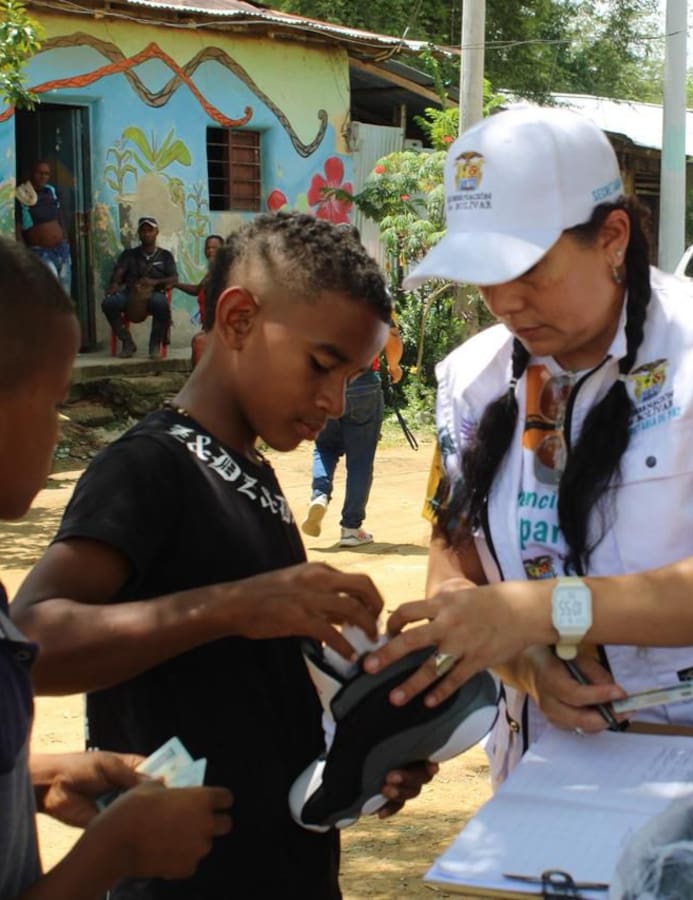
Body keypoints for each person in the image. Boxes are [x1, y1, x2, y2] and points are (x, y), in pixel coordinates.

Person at [356, 106, 693, 784]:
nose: (504, 301)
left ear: (612, 236)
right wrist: (527, 664)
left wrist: (540, 610)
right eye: (483, 272)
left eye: (529, 268)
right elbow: (455, 577)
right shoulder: (471, 384)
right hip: (556, 763)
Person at [12, 213, 437, 899]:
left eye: (351, 376)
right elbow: (32, 639)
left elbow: (255, 694)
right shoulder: (151, 466)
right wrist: (233, 606)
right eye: (322, 365)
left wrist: (361, 755)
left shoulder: (251, 475)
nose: (333, 401)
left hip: (281, 868)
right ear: (238, 319)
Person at [0, 235, 232, 899]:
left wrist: (39, 779)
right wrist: (114, 853)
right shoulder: (146, 467)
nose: (55, 429)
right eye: (51, 402)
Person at [302, 223, 405, 548]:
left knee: (324, 446)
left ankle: (320, 494)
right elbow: (392, 336)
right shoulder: (375, 290)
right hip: (363, 383)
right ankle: (350, 528)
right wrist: (394, 365)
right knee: (360, 460)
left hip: (325, 382)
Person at [103, 216, 178, 359]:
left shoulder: (165, 256)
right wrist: (114, 285)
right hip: (130, 294)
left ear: (156, 232)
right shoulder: (129, 254)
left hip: (153, 294)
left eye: (150, 230)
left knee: (161, 303)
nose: (146, 233)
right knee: (109, 303)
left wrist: (154, 282)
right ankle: (127, 342)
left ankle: (154, 345)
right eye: (143, 230)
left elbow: (174, 278)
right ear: (139, 233)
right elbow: (119, 272)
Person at [15, 160, 72, 298]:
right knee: (49, 288)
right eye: (39, 173)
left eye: (46, 174)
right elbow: (18, 226)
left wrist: (65, 237)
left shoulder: (51, 192)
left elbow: (59, 216)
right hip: (40, 251)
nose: (43, 177)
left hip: (61, 249)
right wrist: (22, 250)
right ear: (32, 174)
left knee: (65, 288)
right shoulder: (23, 195)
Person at [174, 234, 225, 369]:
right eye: (207, 248)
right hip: (208, 328)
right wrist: (176, 284)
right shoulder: (212, 273)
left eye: (215, 248)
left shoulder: (224, 274)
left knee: (199, 344)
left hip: (218, 330)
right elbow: (197, 290)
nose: (210, 251)